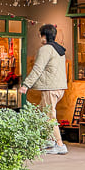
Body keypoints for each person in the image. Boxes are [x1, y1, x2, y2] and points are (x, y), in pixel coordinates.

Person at [20, 23, 69, 155]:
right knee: (41, 112)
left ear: (44, 36)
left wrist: (26, 85)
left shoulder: (46, 49)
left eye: (40, 35)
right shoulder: (60, 50)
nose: (40, 38)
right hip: (60, 88)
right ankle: (49, 140)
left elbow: (37, 68)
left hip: (50, 89)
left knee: (49, 116)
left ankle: (59, 144)